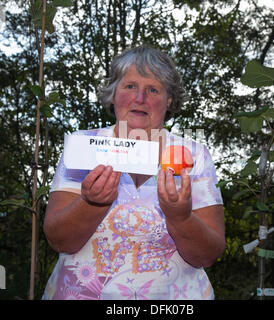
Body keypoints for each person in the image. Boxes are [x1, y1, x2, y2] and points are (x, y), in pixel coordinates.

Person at [42, 45, 225, 300]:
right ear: (113, 94)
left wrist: (180, 218)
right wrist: (91, 202)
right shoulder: (84, 148)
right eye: (129, 86)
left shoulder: (194, 155)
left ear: (169, 99)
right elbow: (59, 239)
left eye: (153, 89)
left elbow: (208, 254)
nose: (140, 98)